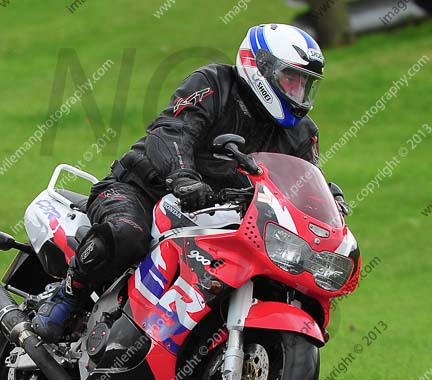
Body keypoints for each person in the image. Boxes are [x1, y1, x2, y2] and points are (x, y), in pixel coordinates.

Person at [32, 23, 348, 341]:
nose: (298, 92)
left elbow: (302, 177)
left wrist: (325, 201)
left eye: (305, 84)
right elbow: (174, 130)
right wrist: (183, 177)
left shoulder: (302, 132)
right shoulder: (214, 83)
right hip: (142, 189)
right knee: (126, 233)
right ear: (259, 67)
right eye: (290, 79)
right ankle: (67, 296)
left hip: (221, 215)